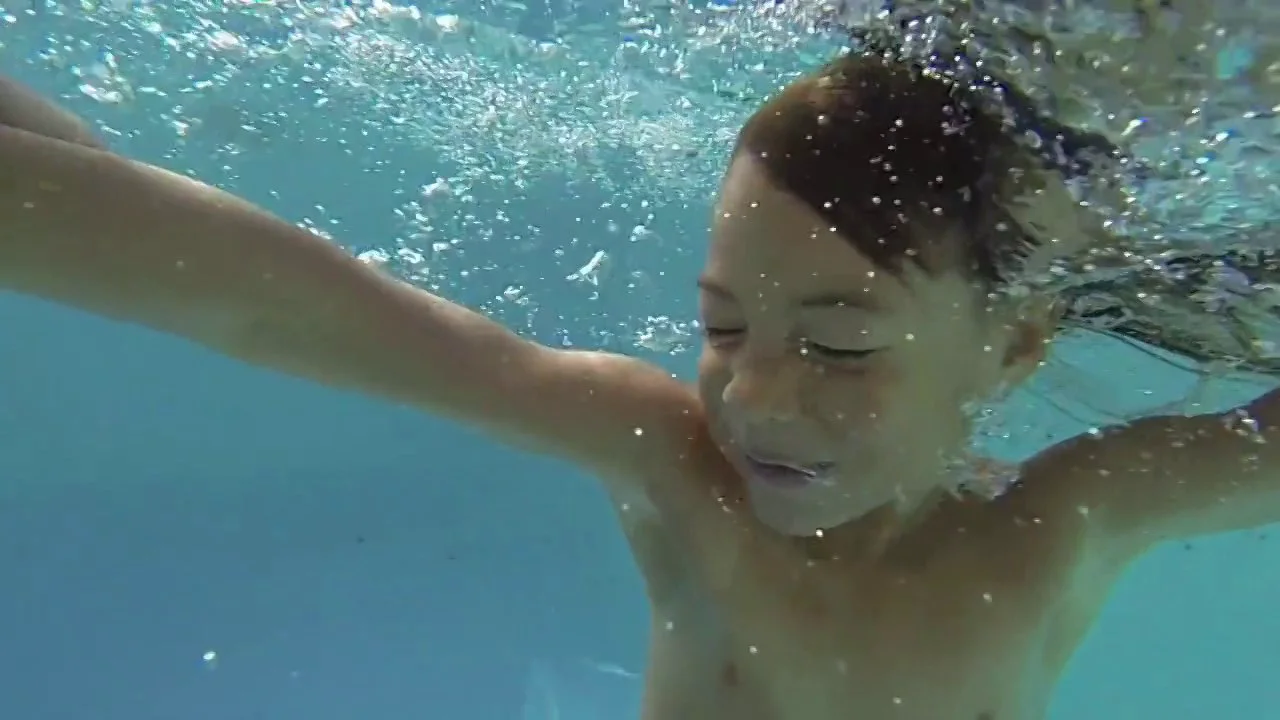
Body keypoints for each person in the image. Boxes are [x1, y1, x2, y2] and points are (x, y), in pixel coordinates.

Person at [2, 48, 1279, 720]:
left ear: (1011, 349)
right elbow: (276, 306)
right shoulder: (676, 468)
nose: (756, 400)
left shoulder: (1061, 523)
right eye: (720, 326)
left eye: (840, 346)